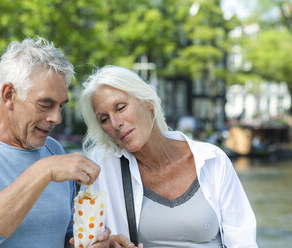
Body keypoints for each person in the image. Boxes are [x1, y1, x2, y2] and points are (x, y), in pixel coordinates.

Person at [0, 37, 110, 248]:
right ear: (9, 96)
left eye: (61, 106)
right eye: (45, 104)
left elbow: (67, 235)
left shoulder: (54, 150)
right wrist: (44, 170)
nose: (57, 118)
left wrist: (93, 241)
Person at [79, 65, 258, 247]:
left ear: (147, 102)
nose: (115, 123)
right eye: (104, 119)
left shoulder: (212, 160)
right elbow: (85, 241)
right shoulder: (101, 169)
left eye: (121, 107)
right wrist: (108, 244)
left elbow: (243, 241)